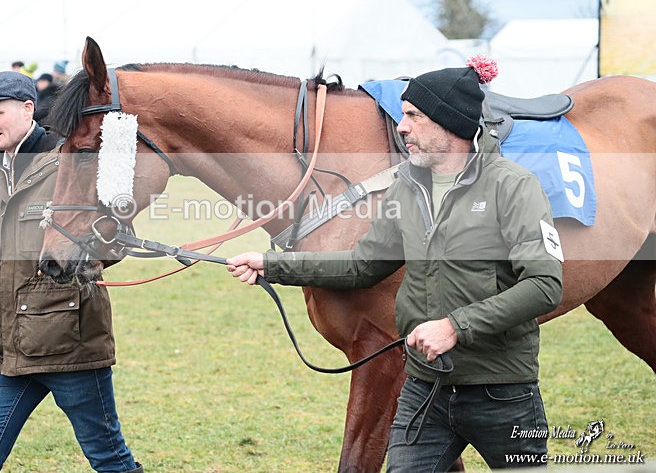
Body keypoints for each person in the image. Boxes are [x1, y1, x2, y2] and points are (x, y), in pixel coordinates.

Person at [227, 59, 564, 471]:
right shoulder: (407, 185)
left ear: (449, 124)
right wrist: (272, 264)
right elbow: (362, 266)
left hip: (501, 394)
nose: (401, 127)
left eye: (413, 116)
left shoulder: (513, 186)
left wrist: (455, 326)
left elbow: (545, 285)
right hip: (424, 390)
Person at [0, 71, 142, 473]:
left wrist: (80, 250)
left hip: (69, 345)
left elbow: (119, 239)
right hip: (8, 349)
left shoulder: (71, 159)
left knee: (109, 458)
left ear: (27, 109)